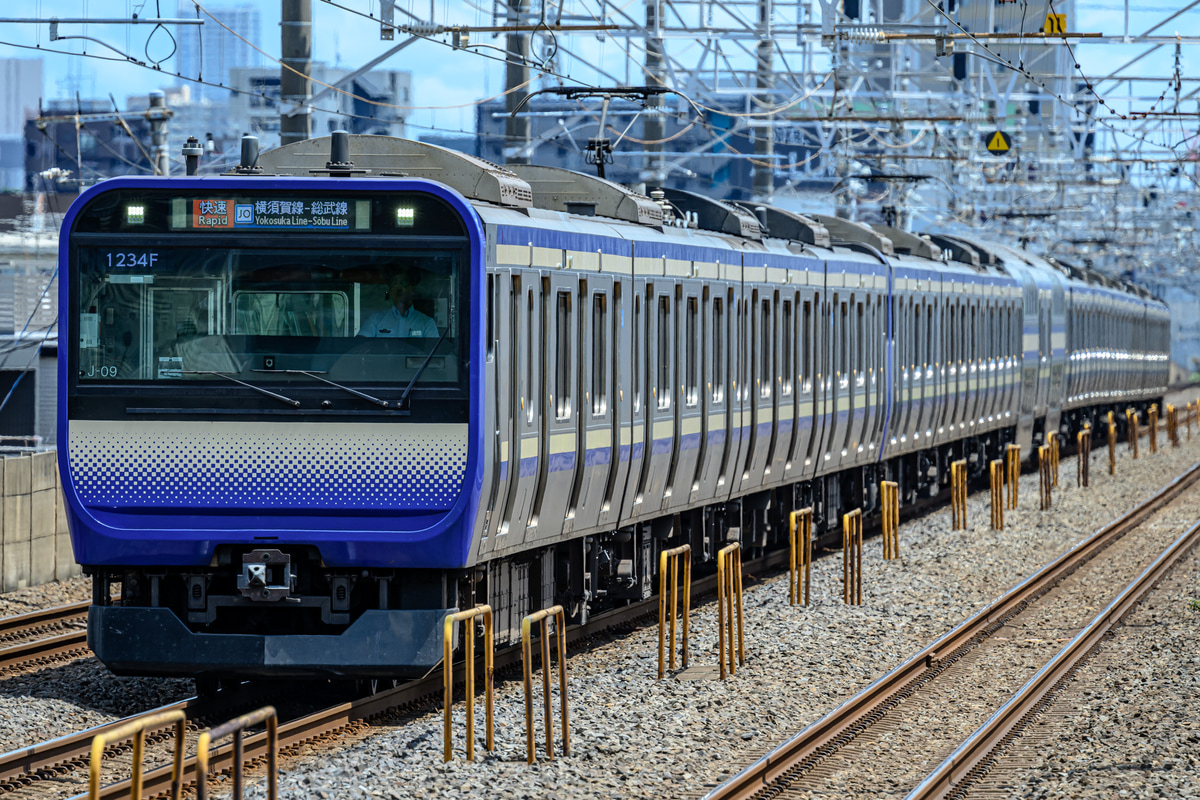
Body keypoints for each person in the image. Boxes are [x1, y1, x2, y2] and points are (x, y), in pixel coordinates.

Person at [357, 266, 438, 338]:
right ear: (390, 290)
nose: (399, 288)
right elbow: (360, 345)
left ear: (413, 289)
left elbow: (434, 352)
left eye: (403, 283)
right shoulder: (376, 319)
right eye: (395, 283)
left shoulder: (427, 323)